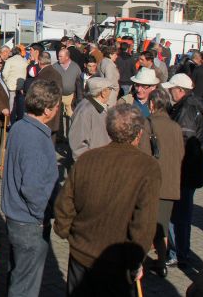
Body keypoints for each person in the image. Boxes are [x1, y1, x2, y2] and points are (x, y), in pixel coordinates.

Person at [54, 105, 161, 297]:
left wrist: (67, 232)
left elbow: (64, 205)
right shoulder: (148, 167)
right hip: (112, 263)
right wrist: (136, 258)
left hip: (86, 254)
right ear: (139, 134)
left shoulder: (88, 159)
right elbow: (144, 223)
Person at [2, 80, 61, 297]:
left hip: (15, 217)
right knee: (25, 286)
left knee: (17, 276)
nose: (57, 110)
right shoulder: (37, 138)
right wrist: (41, 217)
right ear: (47, 110)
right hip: (29, 222)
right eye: (56, 106)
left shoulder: (19, 126)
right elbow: (33, 188)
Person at [162, 73, 203, 269]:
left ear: (180, 90)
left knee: (179, 216)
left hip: (183, 171)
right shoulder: (189, 106)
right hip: (188, 170)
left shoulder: (186, 110)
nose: (169, 92)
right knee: (181, 215)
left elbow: (181, 141)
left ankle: (178, 253)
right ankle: (179, 251)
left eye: (172, 89)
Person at [147, 88, 185, 278]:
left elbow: (144, 156)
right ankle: (161, 262)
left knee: (146, 224)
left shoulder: (148, 124)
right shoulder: (176, 127)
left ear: (152, 104)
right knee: (161, 227)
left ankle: (138, 260)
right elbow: (181, 154)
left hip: (152, 185)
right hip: (170, 184)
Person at [68, 77, 115, 161]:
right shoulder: (86, 111)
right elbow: (77, 144)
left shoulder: (97, 107)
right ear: (103, 92)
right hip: (92, 164)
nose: (111, 92)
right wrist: (87, 164)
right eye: (110, 89)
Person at [33, 52, 64, 139]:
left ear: (39, 62)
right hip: (54, 113)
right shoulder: (57, 73)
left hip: (44, 116)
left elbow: (38, 96)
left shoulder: (43, 75)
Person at [54, 48, 82, 135]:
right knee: (59, 117)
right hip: (59, 96)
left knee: (70, 116)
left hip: (70, 96)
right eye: (58, 56)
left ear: (67, 57)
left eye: (60, 56)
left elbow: (79, 82)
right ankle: (60, 135)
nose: (58, 58)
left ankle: (70, 135)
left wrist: (79, 97)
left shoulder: (75, 67)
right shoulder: (55, 66)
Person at [2, 45, 28, 118]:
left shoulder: (9, 61)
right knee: (20, 106)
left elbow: (4, 73)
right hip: (21, 87)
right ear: (20, 52)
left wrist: (6, 81)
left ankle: (10, 121)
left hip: (11, 87)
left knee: (11, 106)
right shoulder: (25, 61)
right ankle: (20, 119)